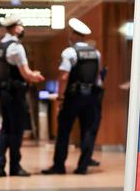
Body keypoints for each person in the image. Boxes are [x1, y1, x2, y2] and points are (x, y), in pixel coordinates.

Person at [42, 17, 101, 175]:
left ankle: (59, 166)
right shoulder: (96, 53)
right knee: (87, 130)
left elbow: (63, 77)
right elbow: (97, 77)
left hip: (73, 97)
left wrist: (60, 97)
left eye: (70, 33)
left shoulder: (70, 52)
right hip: (91, 98)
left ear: (74, 35)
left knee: (64, 131)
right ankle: (83, 167)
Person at [0, 16, 44, 177]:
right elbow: (25, 73)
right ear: (15, 28)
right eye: (21, 26)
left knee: (5, 129)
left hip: (3, 92)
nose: (23, 29)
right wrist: (36, 76)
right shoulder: (16, 47)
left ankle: (0, 164)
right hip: (15, 93)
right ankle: (15, 166)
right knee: (16, 130)